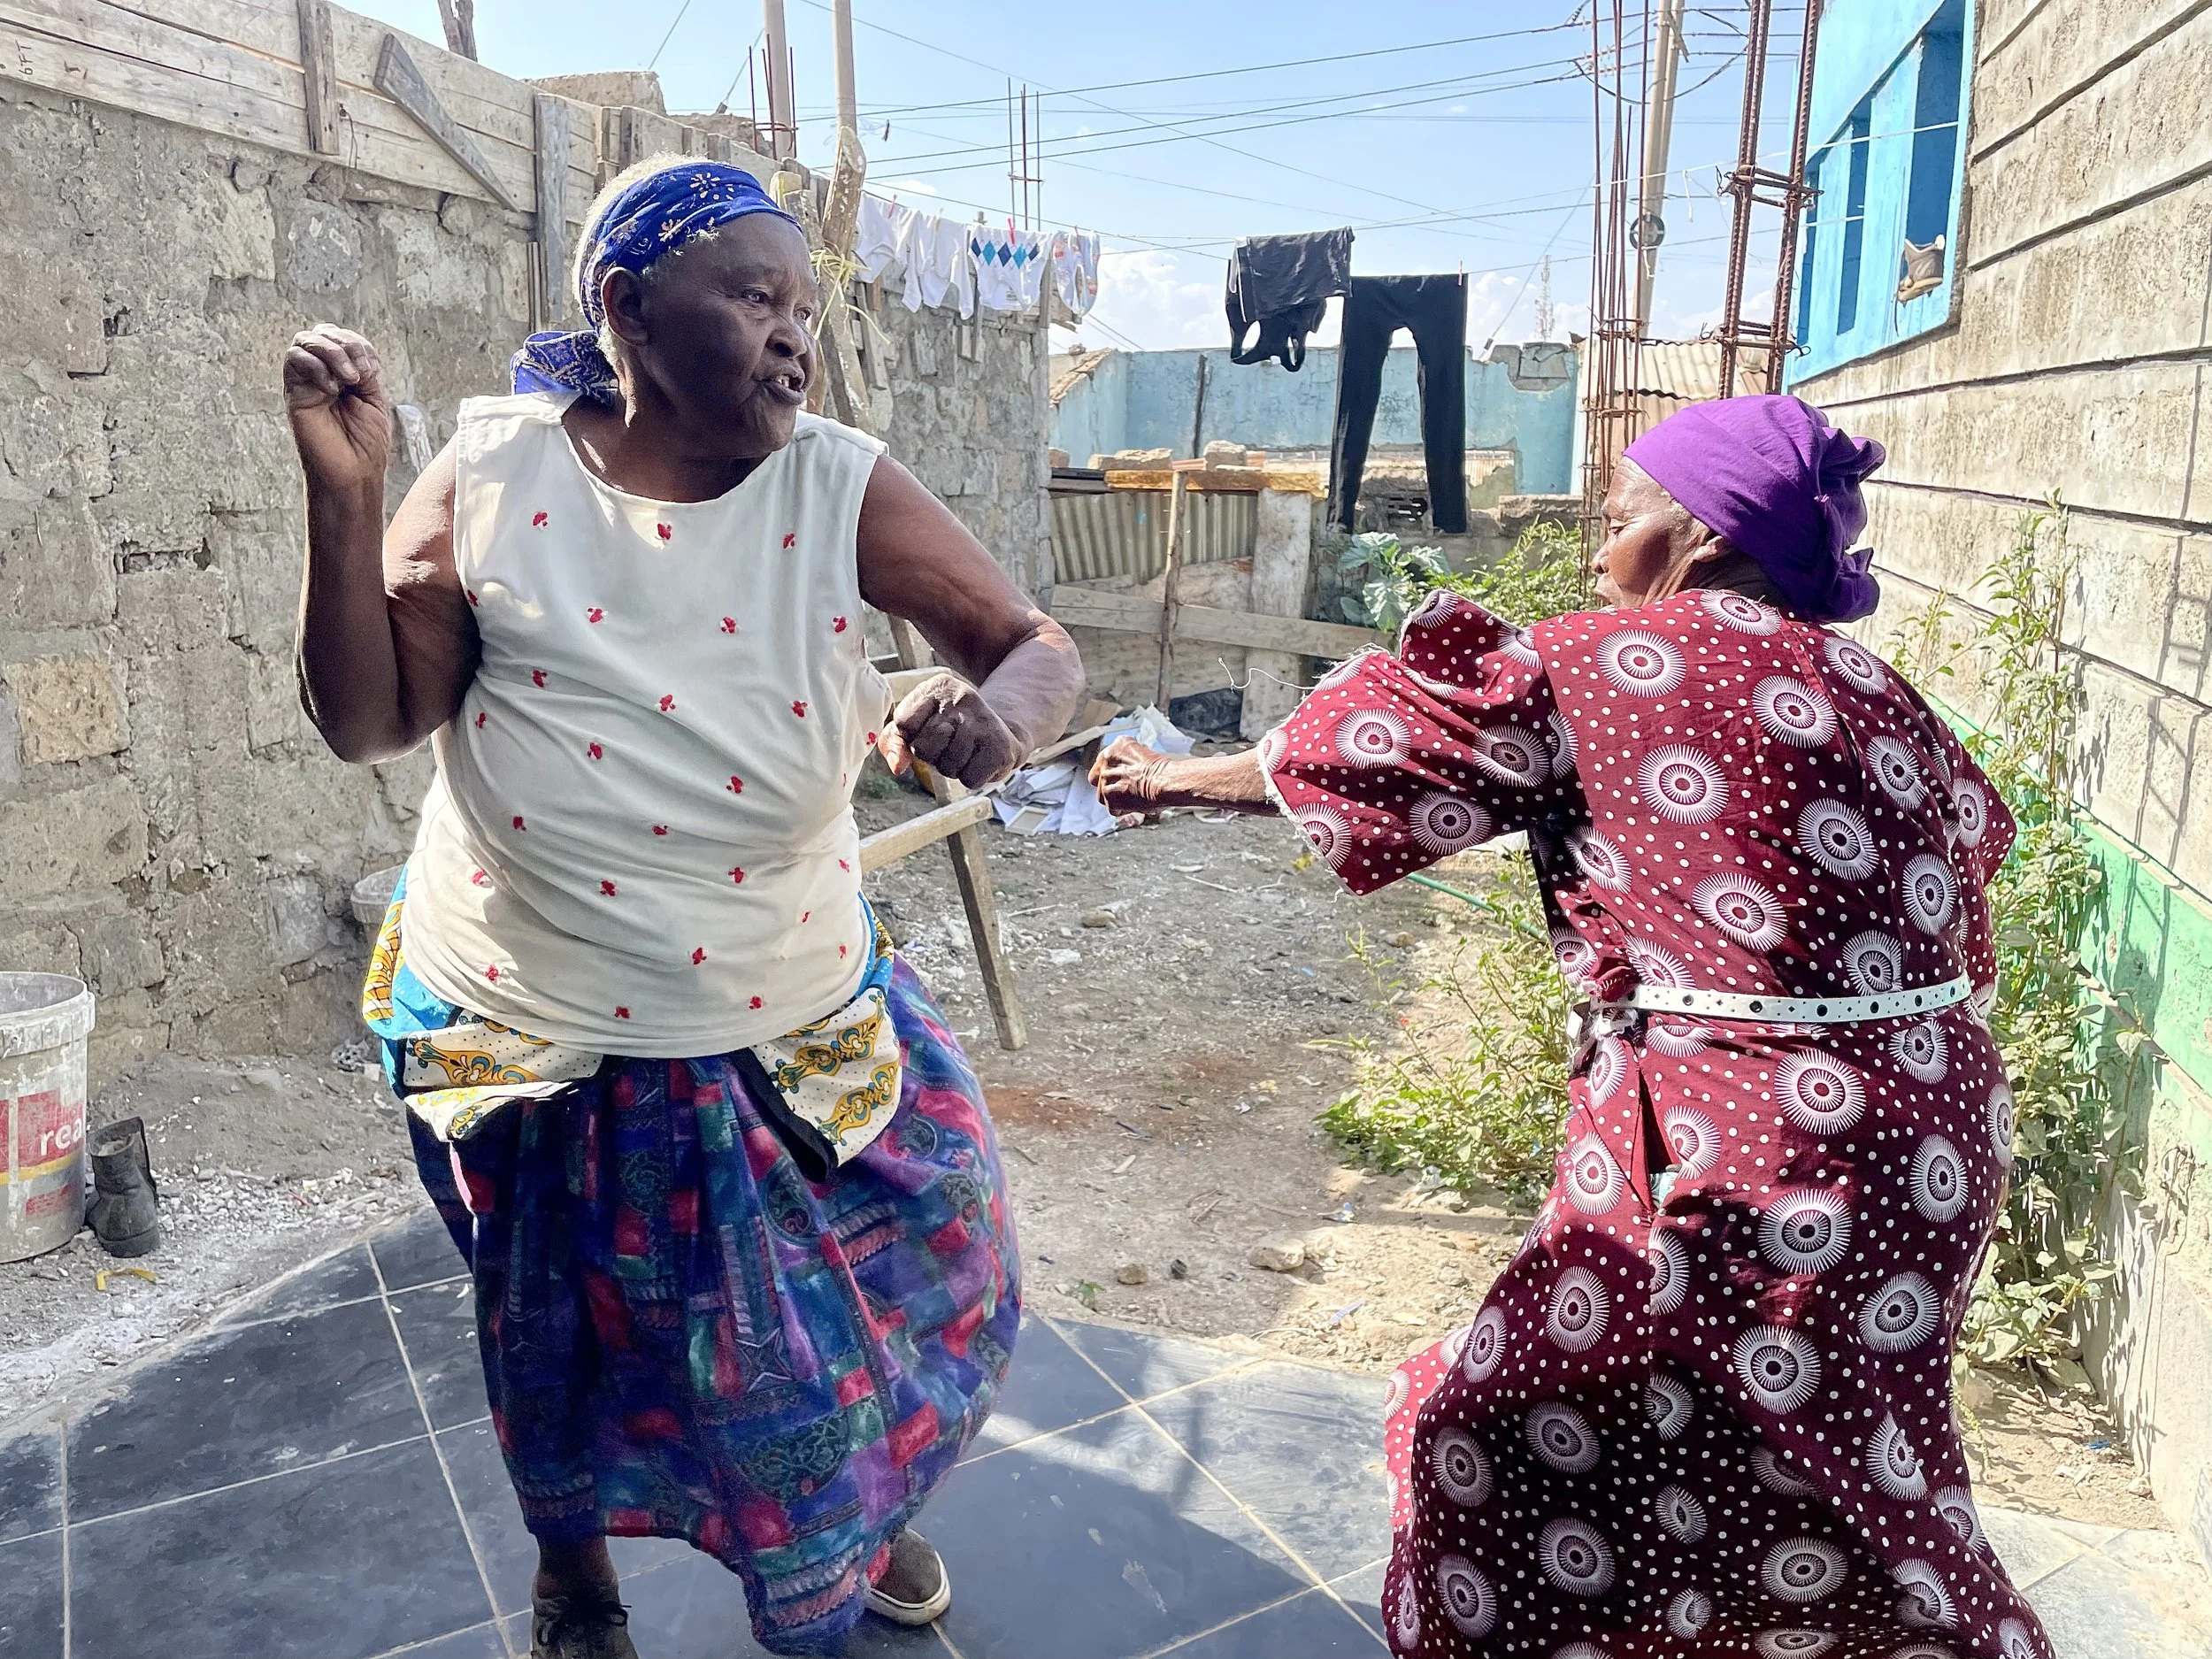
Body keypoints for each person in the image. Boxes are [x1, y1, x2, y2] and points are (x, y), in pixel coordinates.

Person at [1093, 396, 2053, 1659]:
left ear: (1699, 534)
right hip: (1932, 1139)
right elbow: (1971, 852)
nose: (1602, 554)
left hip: (1736, 1142)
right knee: (1839, 1448)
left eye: (1618, 520)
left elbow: (1392, 752)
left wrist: (1163, 776)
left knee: (1486, 1435)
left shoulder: (1601, 659)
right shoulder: (1881, 688)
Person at [284, 157, 1082, 1658]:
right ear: (626, 309)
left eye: (809, 308)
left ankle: (859, 1503)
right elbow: (372, 721)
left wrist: (997, 719)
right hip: (535, 1010)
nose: (797, 336)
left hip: (775, 1003)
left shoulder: (836, 479)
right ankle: (573, 1578)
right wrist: (348, 502)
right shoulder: (497, 473)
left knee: (917, 1259)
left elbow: (1026, 642)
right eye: (756, 294)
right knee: (561, 1331)